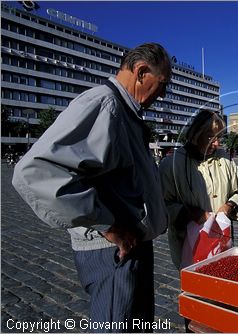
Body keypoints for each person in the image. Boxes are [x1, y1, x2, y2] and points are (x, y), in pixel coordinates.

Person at [12, 42, 172, 332]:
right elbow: (34, 172)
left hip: (131, 248)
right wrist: (107, 224)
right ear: (141, 71)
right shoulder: (104, 104)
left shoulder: (126, 110)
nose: (162, 95)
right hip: (114, 252)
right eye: (162, 84)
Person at [159, 109, 238, 271]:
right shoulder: (171, 165)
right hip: (188, 245)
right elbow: (162, 205)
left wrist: (230, 205)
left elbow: (236, 193)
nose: (217, 143)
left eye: (219, 137)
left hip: (221, 241)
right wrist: (189, 213)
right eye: (211, 137)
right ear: (196, 134)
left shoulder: (225, 159)